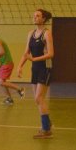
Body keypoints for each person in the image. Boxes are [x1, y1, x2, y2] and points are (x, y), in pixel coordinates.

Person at [17, 9, 55, 139]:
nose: (35, 17)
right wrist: (20, 66)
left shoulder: (47, 33)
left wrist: (34, 59)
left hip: (46, 67)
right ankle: (47, 124)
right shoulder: (30, 34)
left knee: (39, 98)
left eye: (37, 16)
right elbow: (26, 52)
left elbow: (51, 54)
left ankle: (46, 129)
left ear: (43, 19)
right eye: (34, 16)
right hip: (35, 68)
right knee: (37, 99)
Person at [0, 27, 25, 105]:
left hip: (6, 63)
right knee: (2, 82)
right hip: (4, 63)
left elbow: (2, 52)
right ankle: (9, 99)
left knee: (0, 82)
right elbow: (1, 53)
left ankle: (20, 89)